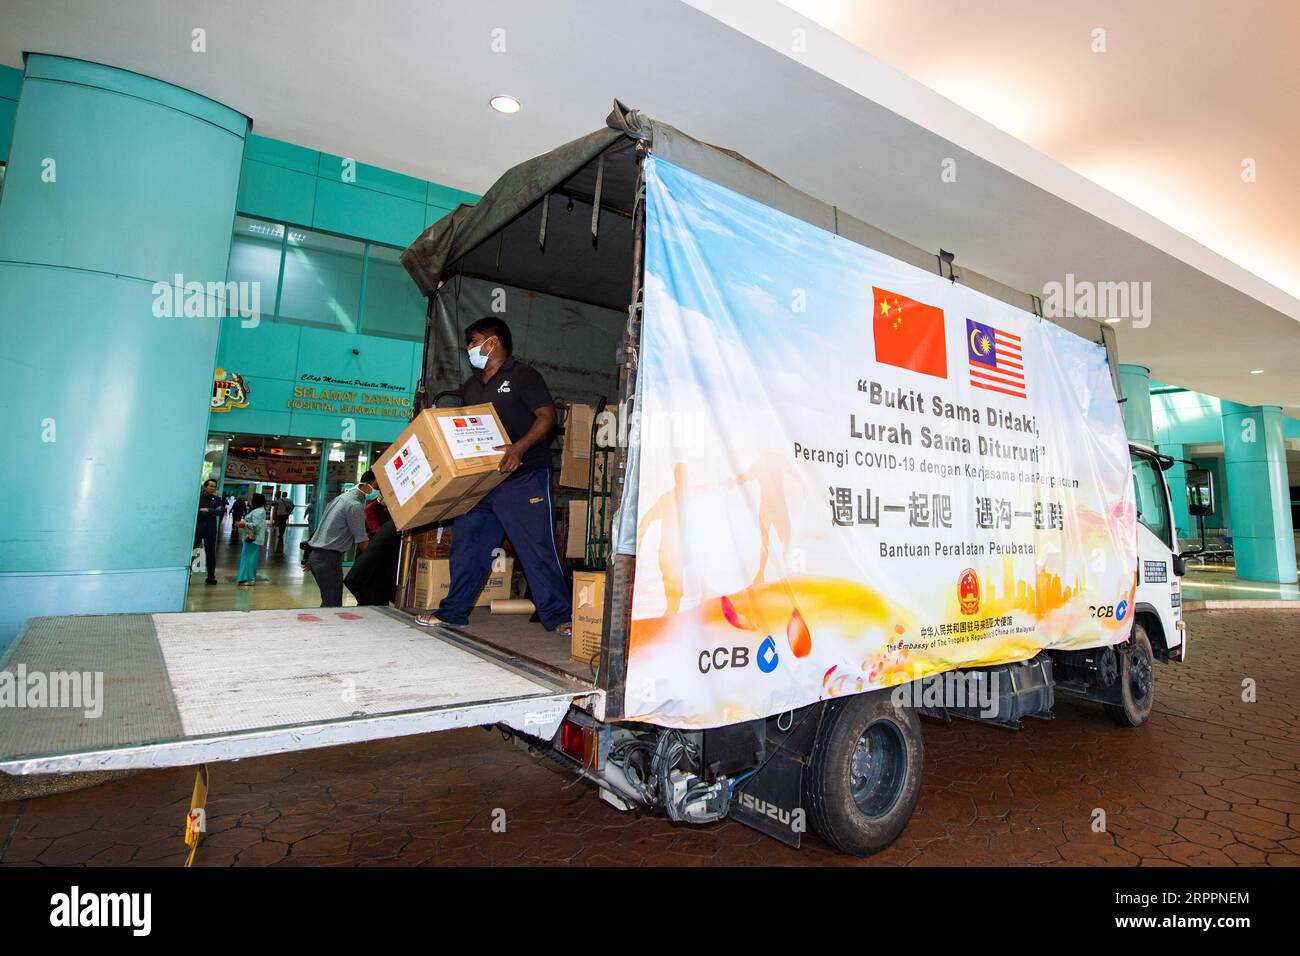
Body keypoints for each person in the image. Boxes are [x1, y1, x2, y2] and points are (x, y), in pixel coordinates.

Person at [416, 317, 572, 635]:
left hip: (524, 476)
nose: (469, 348)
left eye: (474, 341)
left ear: (493, 342)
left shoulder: (523, 375)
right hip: (483, 482)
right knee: (467, 546)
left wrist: (519, 448)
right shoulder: (472, 386)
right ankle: (454, 612)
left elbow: (547, 417)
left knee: (536, 548)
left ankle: (560, 616)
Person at [304, 472, 375, 606]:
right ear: (366, 485)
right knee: (332, 603)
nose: (376, 490)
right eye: (376, 485)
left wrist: (311, 556)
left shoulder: (341, 498)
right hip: (328, 558)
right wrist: (375, 560)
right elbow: (362, 540)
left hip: (319, 556)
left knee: (329, 600)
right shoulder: (355, 505)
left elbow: (322, 527)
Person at [345, 519, 401, 606]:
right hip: (368, 580)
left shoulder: (395, 524)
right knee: (374, 613)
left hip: (365, 578)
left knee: (371, 612)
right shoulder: (402, 529)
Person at [234, 493, 269, 588]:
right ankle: (248, 578)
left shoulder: (258, 511)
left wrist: (243, 524)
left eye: (251, 499)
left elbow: (256, 525)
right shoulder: (259, 510)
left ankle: (247, 578)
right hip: (252, 539)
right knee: (249, 558)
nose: (249, 500)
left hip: (252, 538)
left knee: (248, 559)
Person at [194, 479, 222, 585]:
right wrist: (211, 512)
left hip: (210, 530)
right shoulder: (198, 497)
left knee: (210, 553)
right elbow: (196, 511)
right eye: (210, 486)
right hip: (198, 528)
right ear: (205, 487)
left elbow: (220, 511)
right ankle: (189, 575)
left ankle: (211, 576)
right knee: (194, 550)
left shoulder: (217, 499)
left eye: (214, 486)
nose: (212, 488)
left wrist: (208, 510)